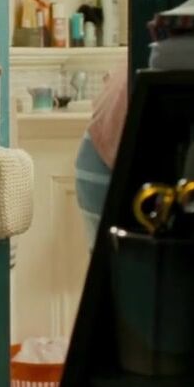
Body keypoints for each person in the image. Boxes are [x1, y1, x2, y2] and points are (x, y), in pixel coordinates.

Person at [74, 57, 129, 248]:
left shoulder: (139, 56)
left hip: (94, 156)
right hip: (106, 164)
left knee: (105, 257)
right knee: (114, 258)